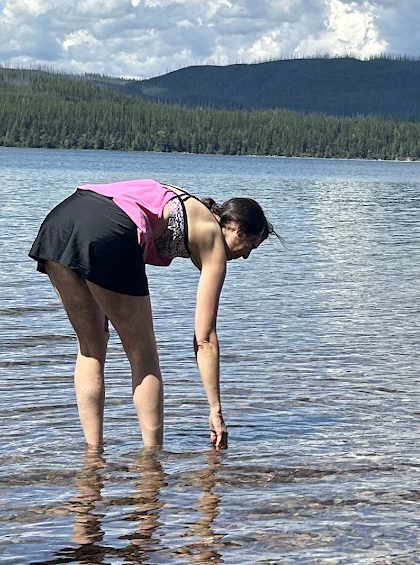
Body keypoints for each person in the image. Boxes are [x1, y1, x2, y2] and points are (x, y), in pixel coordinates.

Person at [29, 178, 273, 454]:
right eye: (250, 246)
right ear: (235, 228)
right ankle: (152, 461)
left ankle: (93, 454)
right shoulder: (212, 236)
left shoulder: (181, 197)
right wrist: (215, 410)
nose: (245, 257)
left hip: (61, 221)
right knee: (142, 352)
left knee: (91, 346)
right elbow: (205, 339)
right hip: (109, 226)